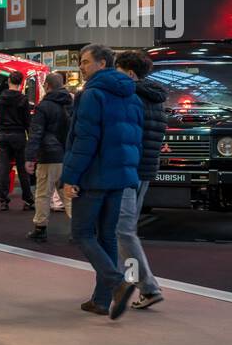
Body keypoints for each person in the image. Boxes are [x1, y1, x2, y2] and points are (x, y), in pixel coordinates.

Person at [59, 43, 144, 320]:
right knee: (106, 235)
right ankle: (101, 300)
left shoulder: (91, 95)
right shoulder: (132, 96)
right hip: (119, 178)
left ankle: (117, 283)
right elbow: (134, 140)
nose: (80, 67)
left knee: (82, 234)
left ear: (102, 63)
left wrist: (70, 177)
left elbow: (84, 140)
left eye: (85, 62)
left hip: (93, 176)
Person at [114, 49, 167, 309]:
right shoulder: (156, 98)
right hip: (145, 169)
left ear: (131, 73)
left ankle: (144, 285)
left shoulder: (131, 95)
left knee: (121, 231)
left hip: (128, 168)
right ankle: (126, 283)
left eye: (119, 70)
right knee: (125, 231)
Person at [25, 72, 73, 242]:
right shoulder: (71, 104)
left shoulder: (43, 107)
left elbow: (36, 134)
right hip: (67, 156)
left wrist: (30, 157)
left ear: (47, 86)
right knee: (68, 193)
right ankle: (77, 228)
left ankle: (40, 228)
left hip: (48, 155)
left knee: (43, 193)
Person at [0, 70, 34, 211]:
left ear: (8, 81)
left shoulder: (0, 99)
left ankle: (4, 200)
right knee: (22, 169)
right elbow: (27, 121)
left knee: (4, 169)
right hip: (19, 135)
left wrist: (1, 133)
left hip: (5, 135)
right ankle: (28, 199)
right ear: (20, 83)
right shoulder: (23, 99)